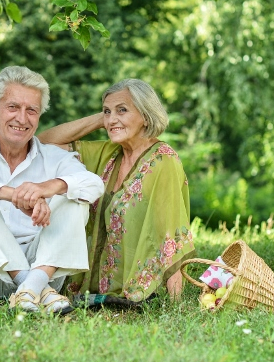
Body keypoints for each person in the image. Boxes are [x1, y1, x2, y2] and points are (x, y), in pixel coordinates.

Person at [0, 66, 104, 314]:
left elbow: (94, 184)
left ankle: (31, 287)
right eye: (13, 107)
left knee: (74, 195)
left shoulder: (54, 157)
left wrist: (48, 188)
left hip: (43, 266)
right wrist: (12, 195)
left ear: (38, 117)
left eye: (31, 110)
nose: (22, 118)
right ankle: (34, 287)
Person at [38, 79, 195, 304]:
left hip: (136, 293)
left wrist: (176, 304)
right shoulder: (108, 153)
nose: (112, 119)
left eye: (122, 110)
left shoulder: (163, 160)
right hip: (90, 293)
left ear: (146, 114)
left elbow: (169, 232)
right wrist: (102, 119)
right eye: (107, 112)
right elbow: (45, 143)